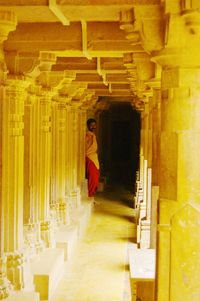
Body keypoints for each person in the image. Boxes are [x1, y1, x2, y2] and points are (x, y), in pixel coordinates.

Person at [85, 118, 100, 197]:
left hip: (94, 158)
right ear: (88, 126)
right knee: (92, 178)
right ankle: (90, 194)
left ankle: (92, 193)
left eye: (94, 125)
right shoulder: (87, 135)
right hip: (89, 158)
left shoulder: (93, 135)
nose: (93, 127)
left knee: (95, 176)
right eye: (91, 125)